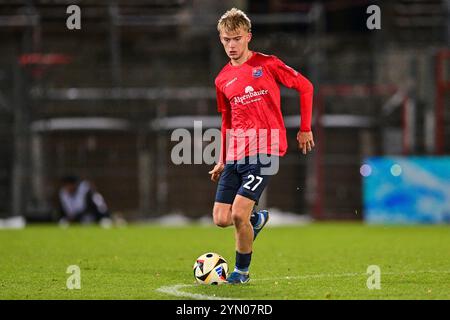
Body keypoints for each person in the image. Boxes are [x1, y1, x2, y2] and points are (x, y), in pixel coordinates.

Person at [208, 8, 315, 284]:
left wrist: (305, 128)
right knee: (221, 218)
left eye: (236, 38)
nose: (231, 45)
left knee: (238, 213)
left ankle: (241, 272)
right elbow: (227, 121)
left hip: (265, 149)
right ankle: (255, 222)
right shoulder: (221, 79)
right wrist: (222, 158)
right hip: (235, 153)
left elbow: (305, 87)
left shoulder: (267, 64)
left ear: (248, 37)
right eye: (226, 40)